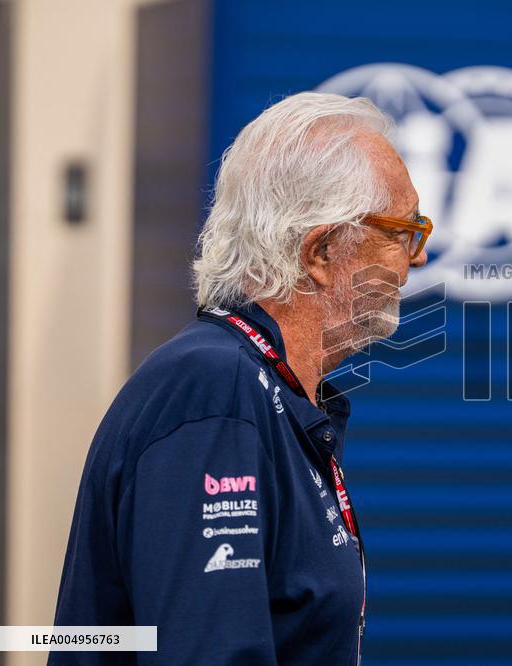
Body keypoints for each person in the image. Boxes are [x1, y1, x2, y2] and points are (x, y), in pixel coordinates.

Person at [49, 92, 431, 665]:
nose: (417, 258)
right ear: (323, 251)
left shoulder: (260, 390)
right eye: (405, 231)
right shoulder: (215, 391)